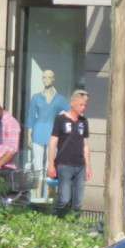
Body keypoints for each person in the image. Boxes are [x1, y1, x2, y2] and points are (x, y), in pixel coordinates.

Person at [25, 69, 68, 201]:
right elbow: (31, 117)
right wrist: (29, 135)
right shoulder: (36, 97)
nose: (47, 80)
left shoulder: (59, 98)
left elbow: (70, 112)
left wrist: (64, 127)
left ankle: (48, 195)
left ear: (53, 79)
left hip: (53, 134)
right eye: (44, 77)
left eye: (49, 77)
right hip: (38, 132)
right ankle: (38, 196)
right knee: (38, 165)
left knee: (50, 164)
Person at [46, 89, 90, 217]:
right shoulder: (60, 119)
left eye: (85, 105)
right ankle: (54, 218)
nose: (83, 108)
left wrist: (88, 166)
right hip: (65, 164)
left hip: (80, 165)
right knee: (64, 199)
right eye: (81, 104)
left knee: (77, 203)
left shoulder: (84, 121)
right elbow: (53, 142)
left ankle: (73, 226)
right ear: (72, 103)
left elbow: (85, 145)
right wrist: (51, 165)